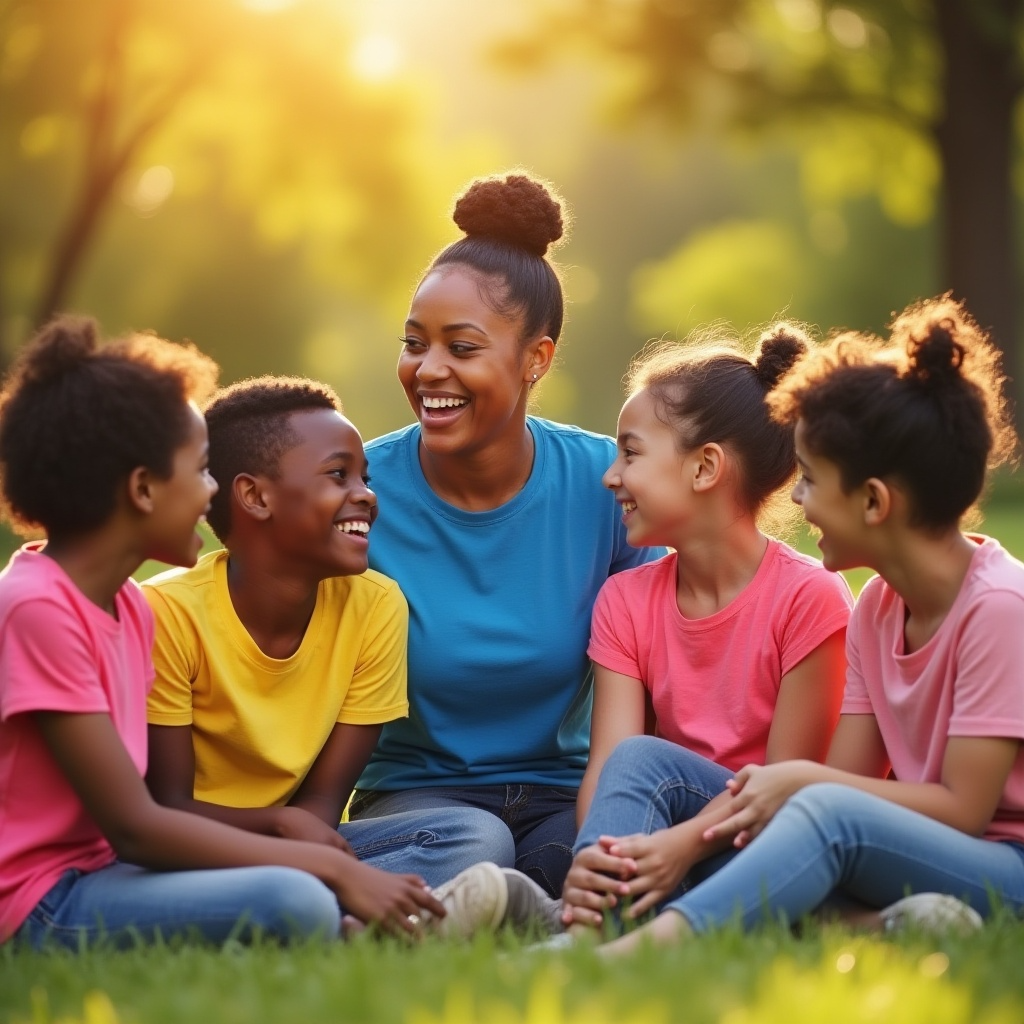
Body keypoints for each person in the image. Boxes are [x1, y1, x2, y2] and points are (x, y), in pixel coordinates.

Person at [0, 318, 492, 950]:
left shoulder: (122, 605)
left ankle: (366, 918)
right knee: (292, 899)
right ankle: (368, 928)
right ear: (143, 489)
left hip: (116, 870)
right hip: (45, 897)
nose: (211, 495)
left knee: (460, 838)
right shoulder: (38, 607)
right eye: (201, 470)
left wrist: (299, 841)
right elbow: (137, 826)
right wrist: (329, 865)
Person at [583, 295, 1024, 955]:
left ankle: (644, 948)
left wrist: (802, 783)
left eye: (812, 481)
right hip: (889, 844)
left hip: (1003, 863)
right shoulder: (877, 606)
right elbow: (839, 777)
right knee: (649, 760)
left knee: (822, 814)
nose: (794, 498)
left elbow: (964, 809)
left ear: (873, 501)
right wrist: (787, 793)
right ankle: (592, 916)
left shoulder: (998, 609)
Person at [348, 172, 660, 898]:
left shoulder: (605, 486)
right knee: (480, 843)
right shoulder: (359, 489)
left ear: (536, 359)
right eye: (414, 343)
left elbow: (660, 666)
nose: (429, 370)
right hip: (417, 805)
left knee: (581, 860)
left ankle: (521, 912)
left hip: (559, 796)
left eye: (461, 347)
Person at [143, 375, 547, 928]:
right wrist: (283, 830)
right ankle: (356, 920)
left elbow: (322, 810)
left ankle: (348, 919)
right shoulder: (168, 613)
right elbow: (162, 809)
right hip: (184, 852)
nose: (366, 494)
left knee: (474, 835)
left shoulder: (375, 607)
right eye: (338, 475)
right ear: (255, 496)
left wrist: (302, 839)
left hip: (302, 847)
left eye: (364, 476)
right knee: (281, 887)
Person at [563, 325, 852, 930]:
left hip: (771, 831)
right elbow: (608, 769)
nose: (611, 476)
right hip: (670, 838)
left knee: (649, 763)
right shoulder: (625, 600)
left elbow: (782, 785)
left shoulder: (809, 597)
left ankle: (605, 920)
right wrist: (602, 855)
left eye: (632, 453)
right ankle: (597, 912)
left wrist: (681, 847)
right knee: (637, 765)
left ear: (705, 467)